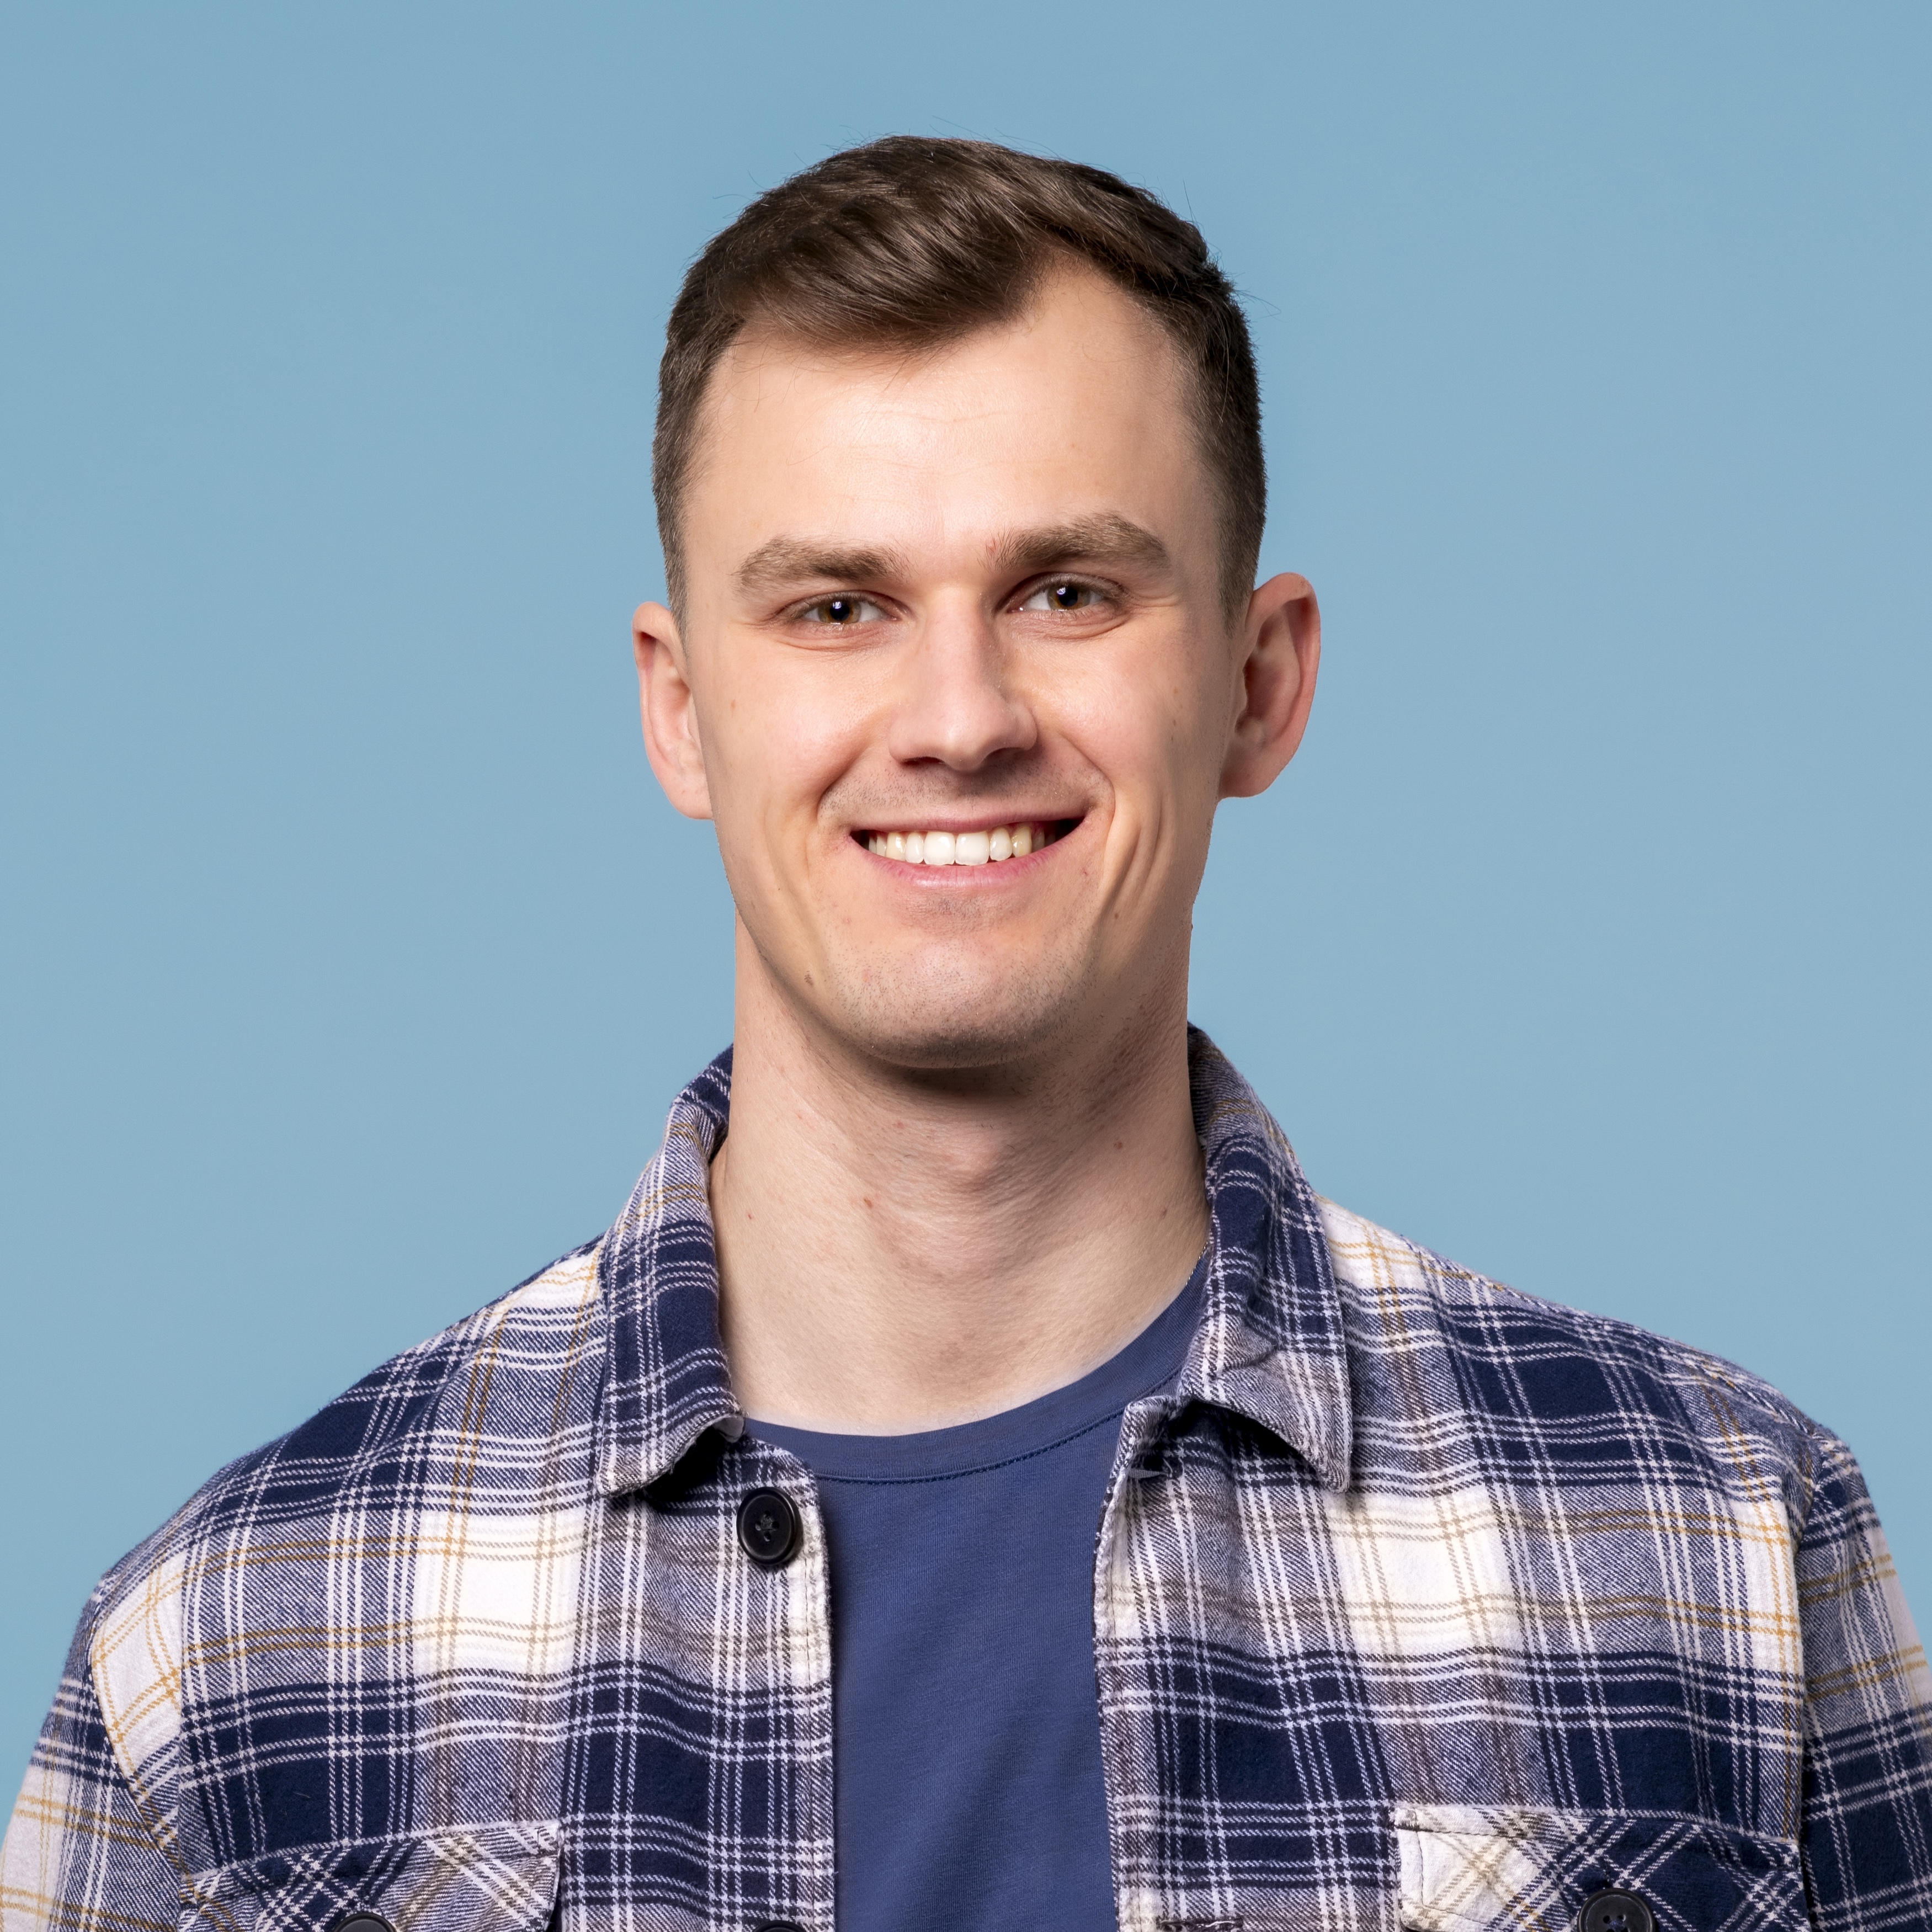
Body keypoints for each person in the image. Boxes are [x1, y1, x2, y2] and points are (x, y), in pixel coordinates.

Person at [4, 137, 1928, 1932]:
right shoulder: (236, 1648)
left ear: (1260, 686)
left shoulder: (1723, 1547)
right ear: (681, 710)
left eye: (1068, 590)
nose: (958, 715)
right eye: (837, 605)